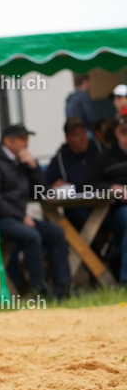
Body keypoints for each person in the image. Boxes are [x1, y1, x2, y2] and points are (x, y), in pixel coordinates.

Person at [0, 124, 71, 299]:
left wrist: (33, 167)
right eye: (22, 139)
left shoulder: (22, 161)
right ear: (8, 141)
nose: (26, 143)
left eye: (27, 139)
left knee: (56, 233)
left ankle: (63, 287)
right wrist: (20, 217)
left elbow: (42, 192)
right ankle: (38, 289)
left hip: (19, 217)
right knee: (32, 236)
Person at [86, 114, 127, 283]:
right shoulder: (104, 158)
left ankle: (115, 257)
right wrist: (111, 188)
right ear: (116, 135)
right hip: (115, 209)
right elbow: (87, 186)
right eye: (124, 132)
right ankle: (125, 278)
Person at [44, 117, 100, 230]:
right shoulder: (60, 159)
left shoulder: (98, 149)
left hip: (103, 204)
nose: (83, 138)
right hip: (77, 209)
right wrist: (53, 188)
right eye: (77, 135)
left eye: (84, 132)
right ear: (67, 138)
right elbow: (43, 184)